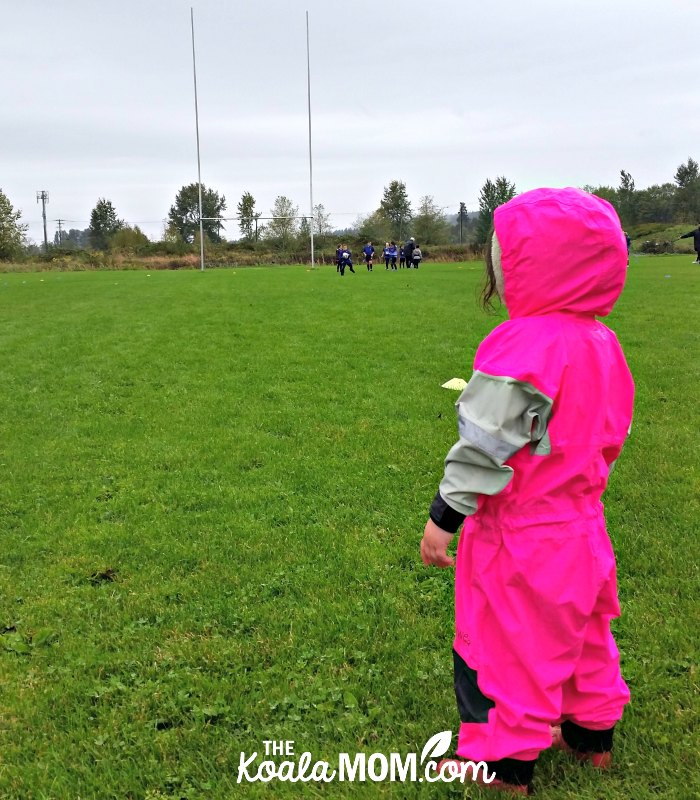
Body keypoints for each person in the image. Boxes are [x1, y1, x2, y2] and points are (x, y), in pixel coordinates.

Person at [420, 188, 633, 795]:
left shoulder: (522, 346)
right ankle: (592, 736)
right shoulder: (603, 343)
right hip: (584, 527)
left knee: (499, 641)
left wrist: (445, 514)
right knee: (587, 629)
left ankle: (501, 761)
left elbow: (485, 445)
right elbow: (609, 434)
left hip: (521, 533)